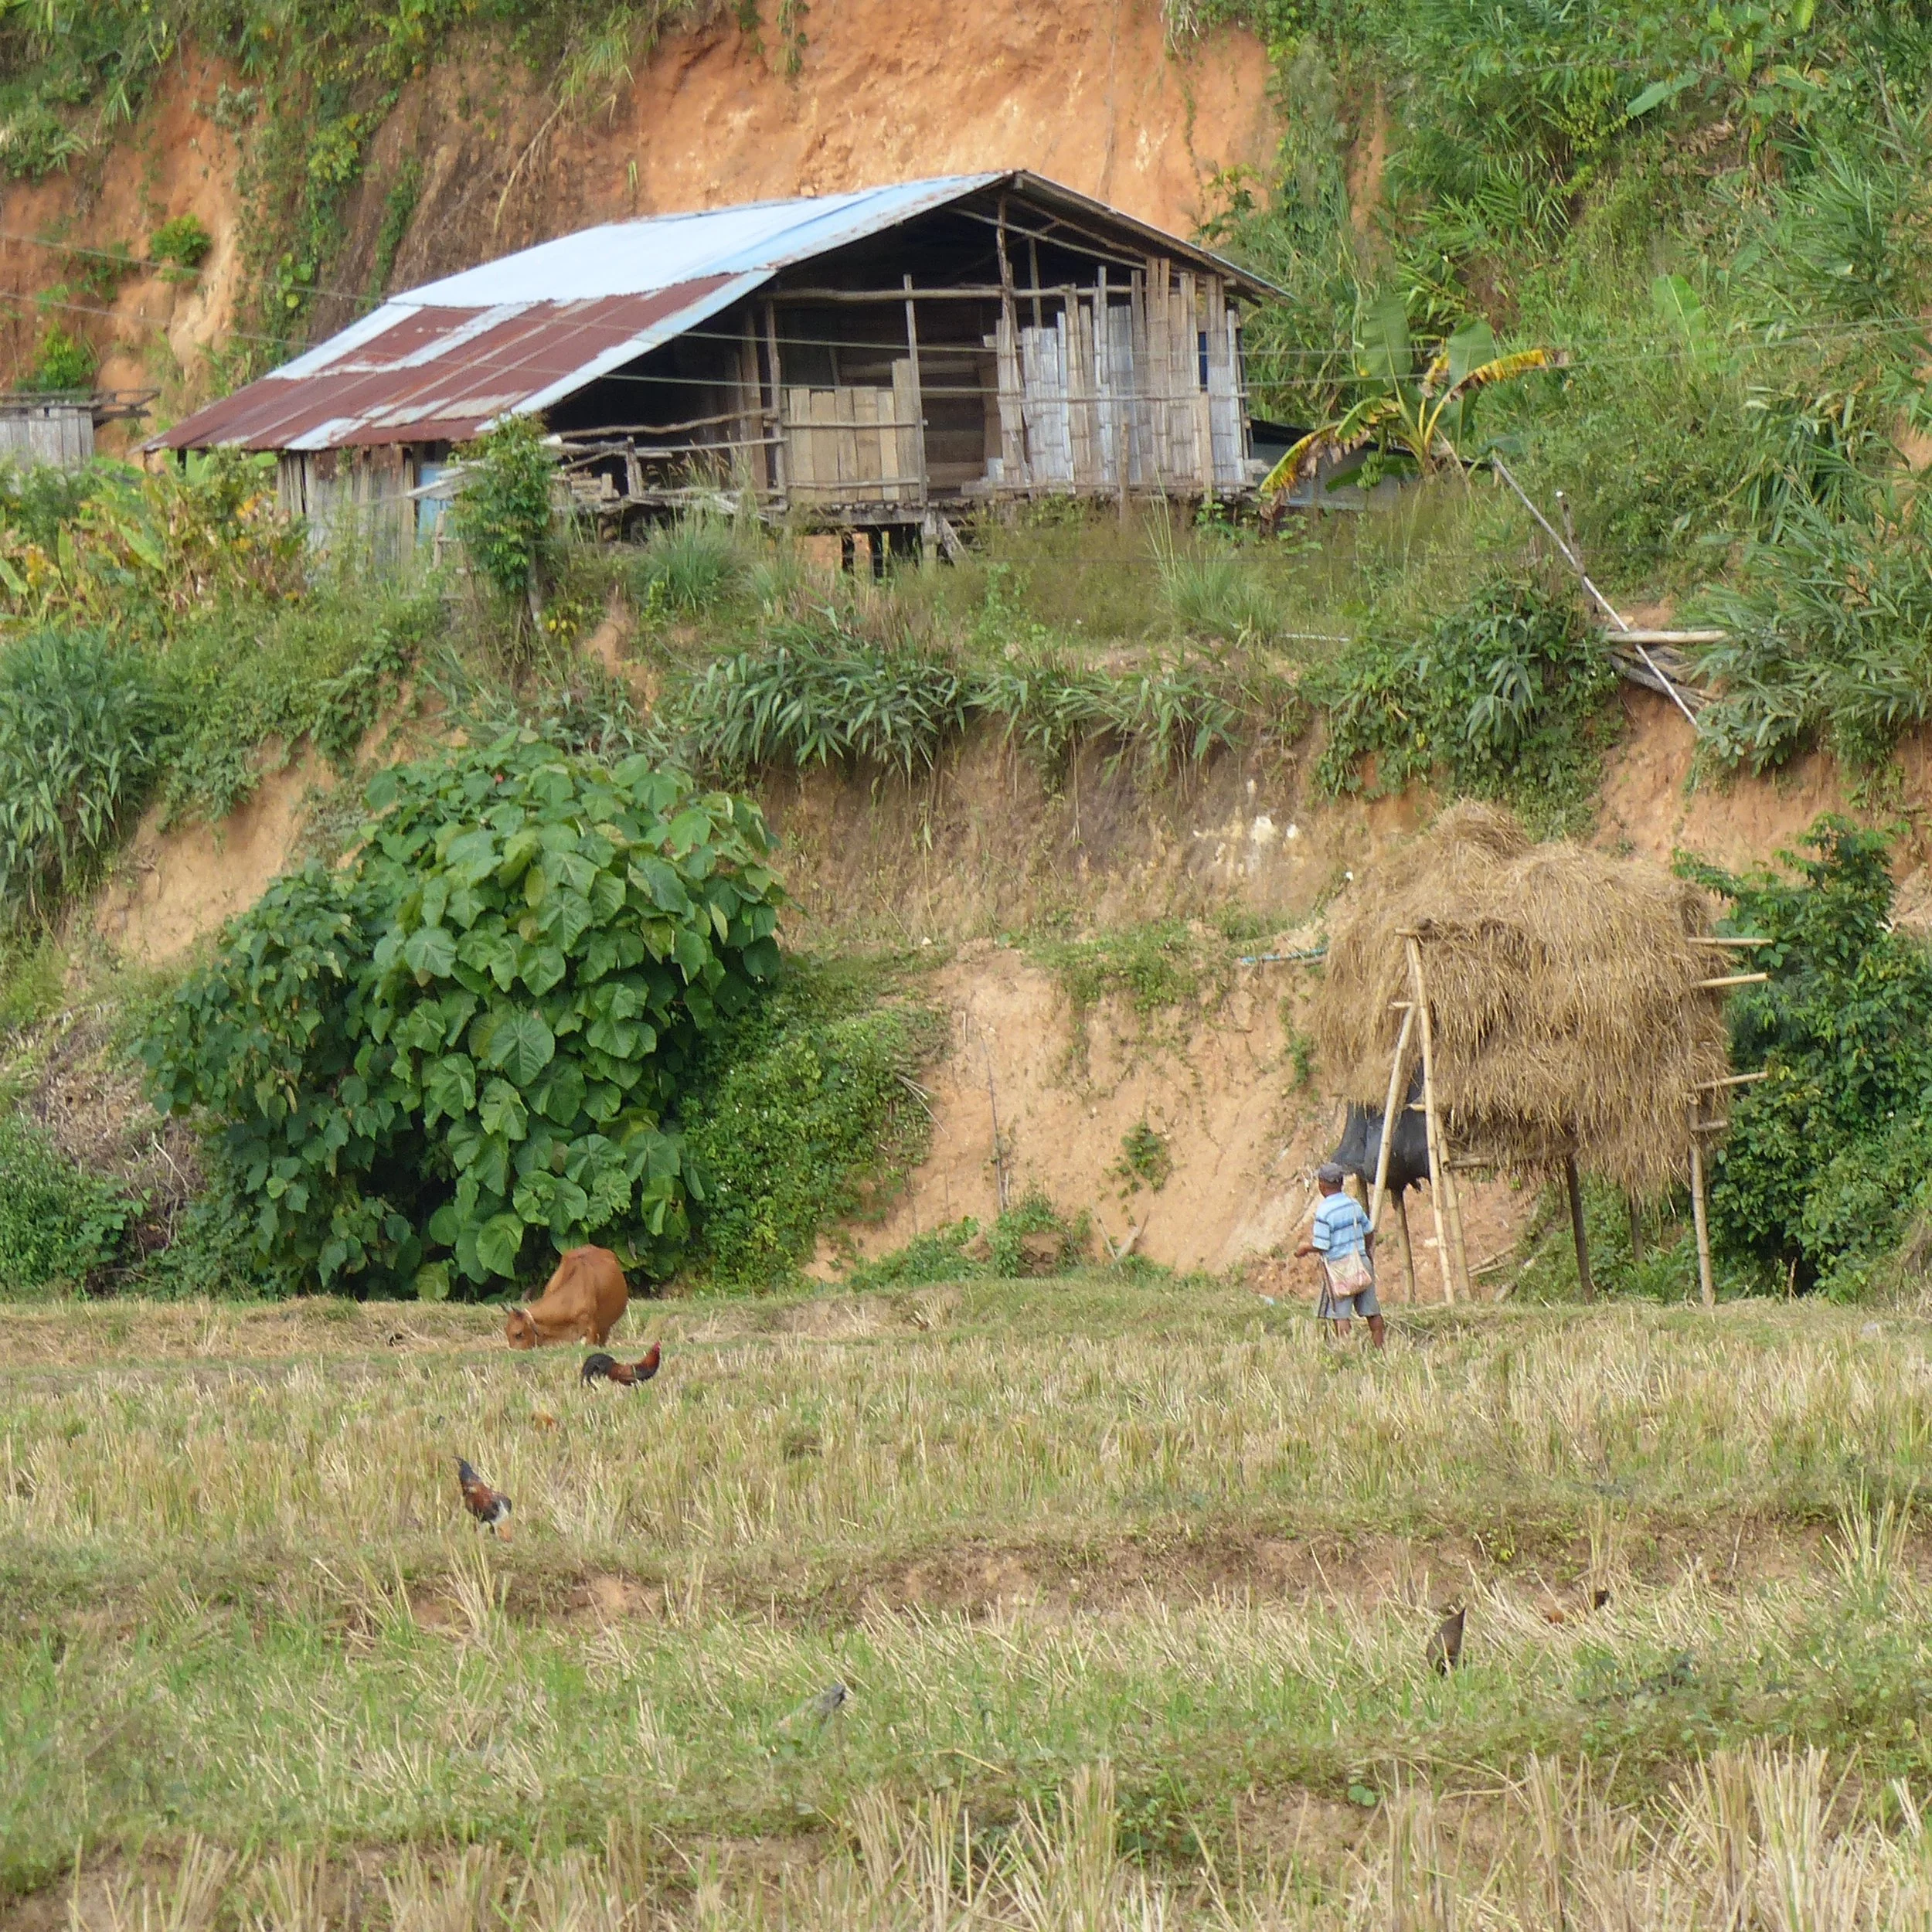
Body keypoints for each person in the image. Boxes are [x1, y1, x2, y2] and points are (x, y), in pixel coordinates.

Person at [1295, 1162, 1386, 1349]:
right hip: (1361, 1264)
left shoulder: (1324, 1211)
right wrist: (1367, 1254)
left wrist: (1305, 1248)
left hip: (1340, 1269)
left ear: (1321, 1185)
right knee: (1372, 1312)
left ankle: (1347, 1352)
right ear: (1341, 1183)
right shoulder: (1354, 1205)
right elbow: (1369, 1231)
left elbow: (1322, 1245)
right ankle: (1381, 1350)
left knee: (1341, 1315)